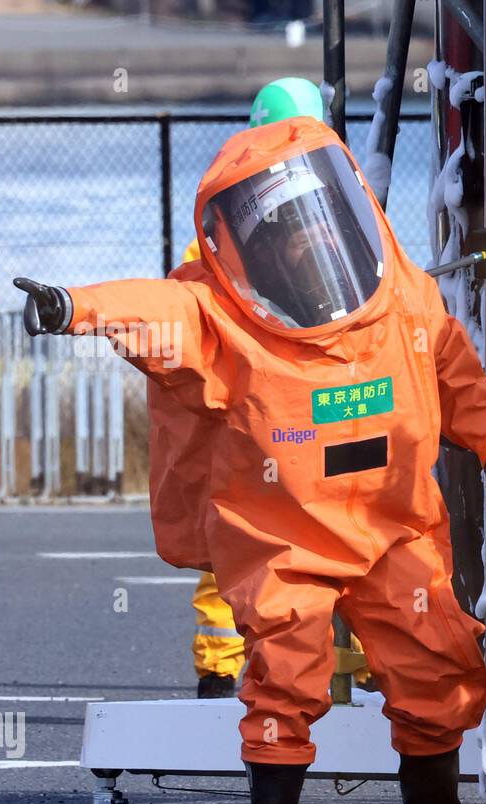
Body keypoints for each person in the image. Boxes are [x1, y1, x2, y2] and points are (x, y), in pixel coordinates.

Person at [16, 113, 486, 804]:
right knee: (285, 677)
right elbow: (155, 310)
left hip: (393, 527)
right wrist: (74, 307)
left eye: (314, 224)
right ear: (249, 245)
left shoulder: (405, 299)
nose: (308, 244)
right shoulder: (220, 314)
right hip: (283, 537)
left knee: (440, 659)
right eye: (286, 233)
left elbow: (460, 381)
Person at [155, 79, 329, 699]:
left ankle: (234, 670)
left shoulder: (227, 220)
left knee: (242, 544)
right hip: (275, 410)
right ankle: (234, 671)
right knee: (255, 543)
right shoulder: (313, 211)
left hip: (275, 409)